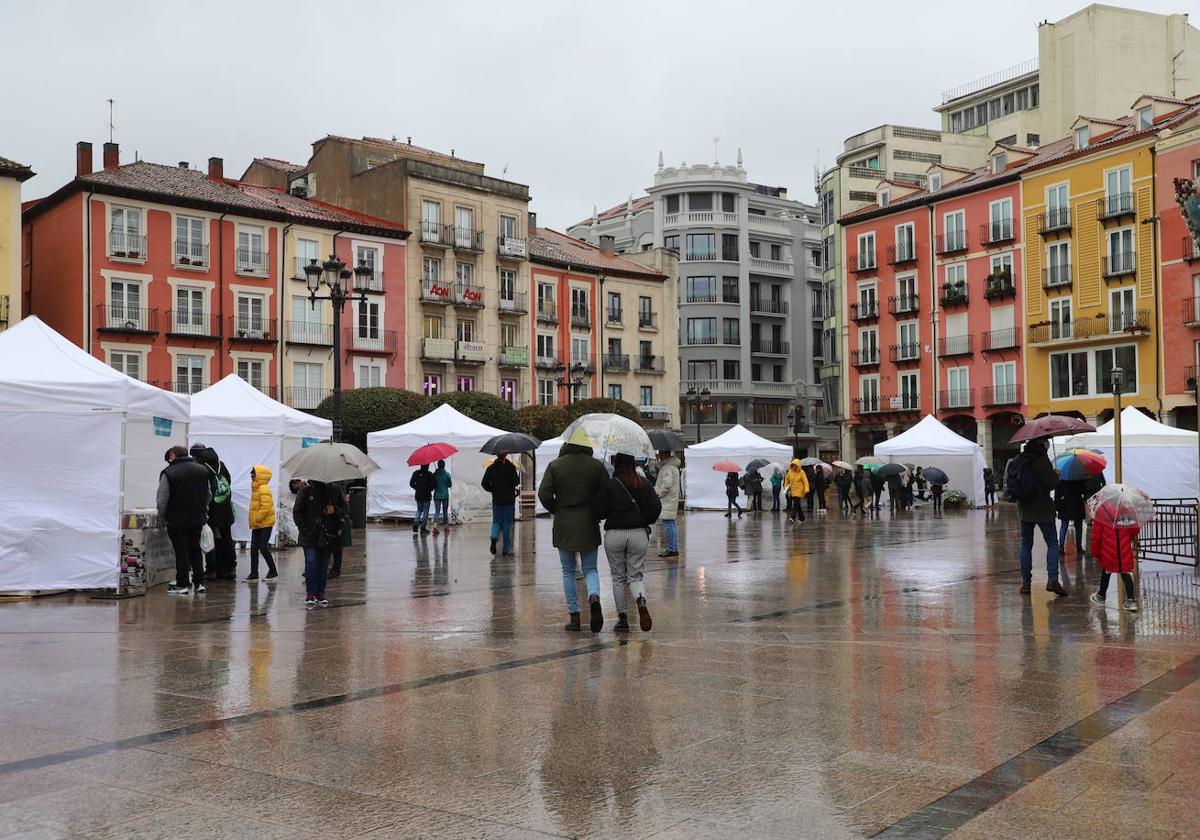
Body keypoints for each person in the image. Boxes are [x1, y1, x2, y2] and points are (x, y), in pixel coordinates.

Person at [538, 435, 610, 632]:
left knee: (568, 571)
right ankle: (593, 597)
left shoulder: (555, 465)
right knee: (590, 569)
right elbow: (606, 494)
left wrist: (556, 509)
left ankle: (575, 616)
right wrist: (597, 511)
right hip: (588, 520)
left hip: (564, 522)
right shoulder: (596, 466)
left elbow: (544, 494)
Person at [595, 453, 663, 632]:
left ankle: (623, 619)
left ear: (616, 465)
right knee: (635, 576)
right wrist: (644, 520)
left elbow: (600, 511)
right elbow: (656, 508)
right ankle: (641, 602)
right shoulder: (644, 483)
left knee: (618, 578)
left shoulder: (610, 485)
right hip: (638, 534)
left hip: (615, 534)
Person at [1015, 439, 1066, 597]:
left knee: (1026, 545)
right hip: (1043, 508)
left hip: (1025, 508)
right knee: (1052, 544)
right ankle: (1052, 580)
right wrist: (1057, 475)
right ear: (1041, 445)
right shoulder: (1042, 461)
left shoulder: (1021, 459)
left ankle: (1025, 583)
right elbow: (1050, 483)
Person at [157, 446, 212, 595]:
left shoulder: (168, 473)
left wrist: (162, 518)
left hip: (176, 520)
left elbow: (163, 499)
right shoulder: (202, 470)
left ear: (173, 455)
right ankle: (199, 582)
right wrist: (202, 511)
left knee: (181, 552)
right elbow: (208, 495)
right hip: (197, 519)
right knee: (195, 550)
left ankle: (183, 584)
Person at [294, 479, 346, 608]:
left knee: (323, 565)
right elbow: (298, 512)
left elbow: (345, 509)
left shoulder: (334, 490)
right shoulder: (306, 491)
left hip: (327, 535)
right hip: (310, 536)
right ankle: (311, 592)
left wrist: (334, 510)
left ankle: (320, 592)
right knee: (311, 562)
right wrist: (305, 530)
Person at [191, 443, 236, 580]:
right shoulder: (221, 465)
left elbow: (202, 492)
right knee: (227, 539)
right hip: (226, 509)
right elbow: (228, 481)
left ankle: (212, 570)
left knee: (210, 539)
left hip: (211, 511)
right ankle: (229, 569)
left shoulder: (202, 468)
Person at [1088, 515, 1139, 612]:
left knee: (1106, 569)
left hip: (1108, 549)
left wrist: (1095, 552)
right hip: (1124, 549)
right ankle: (1131, 601)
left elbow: (1097, 536)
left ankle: (1101, 596)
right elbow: (1135, 530)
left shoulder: (1102, 513)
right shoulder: (1126, 512)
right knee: (1125, 572)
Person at [481, 451, 520, 556]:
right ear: (506, 455)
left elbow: (483, 483)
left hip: (497, 500)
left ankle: (494, 538)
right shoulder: (511, 467)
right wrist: (517, 478)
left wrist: (492, 489)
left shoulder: (491, 468)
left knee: (496, 521)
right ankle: (505, 549)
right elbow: (516, 482)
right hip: (509, 501)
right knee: (507, 524)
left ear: (497, 456)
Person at [245, 465, 278, 581]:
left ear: (260, 476)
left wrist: (257, 518)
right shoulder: (256, 488)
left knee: (263, 548)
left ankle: (273, 571)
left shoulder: (263, 488)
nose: (251, 476)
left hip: (265, 523)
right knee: (254, 548)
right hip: (258, 523)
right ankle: (254, 573)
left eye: (253, 474)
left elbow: (266, 507)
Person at [654, 450, 681, 557]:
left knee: (669, 525)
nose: (659, 455)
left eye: (661, 452)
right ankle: (673, 548)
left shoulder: (667, 468)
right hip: (671, 500)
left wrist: (658, 494)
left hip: (666, 500)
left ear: (666, 454)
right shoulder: (673, 467)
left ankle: (672, 549)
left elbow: (666, 485)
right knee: (671, 524)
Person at [1055, 479, 1086, 556]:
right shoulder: (1079, 478)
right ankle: (1079, 547)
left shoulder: (1062, 479)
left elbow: (1057, 492)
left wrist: (1057, 502)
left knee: (1064, 525)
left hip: (1065, 505)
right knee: (1078, 526)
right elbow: (1083, 490)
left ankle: (1061, 546)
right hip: (1077, 505)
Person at [409, 463, 435, 534]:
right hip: (426, 496)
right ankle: (423, 528)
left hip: (418, 495)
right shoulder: (430, 474)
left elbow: (411, 483)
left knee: (419, 510)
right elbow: (432, 485)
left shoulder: (415, 473)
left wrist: (417, 488)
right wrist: (429, 489)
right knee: (425, 512)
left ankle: (415, 525)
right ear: (427, 466)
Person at [783, 459, 809, 523]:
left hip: (799, 490)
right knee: (797, 505)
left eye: (795, 465)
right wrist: (786, 488)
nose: (794, 467)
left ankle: (792, 517)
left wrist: (806, 489)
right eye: (793, 465)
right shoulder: (790, 472)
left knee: (795, 503)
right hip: (792, 490)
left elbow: (805, 481)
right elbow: (786, 480)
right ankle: (802, 518)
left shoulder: (802, 472)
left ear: (798, 466)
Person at [431, 460, 452, 534]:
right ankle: (446, 527)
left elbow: (433, 485)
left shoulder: (434, 474)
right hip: (445, 495)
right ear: (444, 465)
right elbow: (449, 485)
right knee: (445, 511)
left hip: (437, 495)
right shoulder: (447, 474)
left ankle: (435, 526)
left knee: (437, 511)